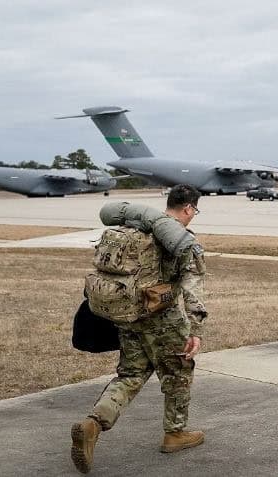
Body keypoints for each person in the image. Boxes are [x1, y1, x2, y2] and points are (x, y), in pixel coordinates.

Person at [71, 185, 207, 474]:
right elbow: (191, 285)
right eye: (194, 210)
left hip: (129, 317)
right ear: (188, 209)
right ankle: (175, 433)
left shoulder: (136, 230)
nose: (193, 215)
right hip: (163, 319)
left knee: (131, 374)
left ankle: (93, 423)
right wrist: (195, 328)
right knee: (178, 372)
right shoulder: (180, 240)